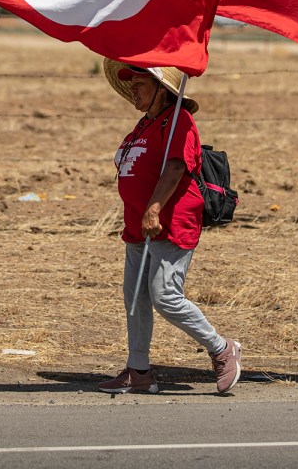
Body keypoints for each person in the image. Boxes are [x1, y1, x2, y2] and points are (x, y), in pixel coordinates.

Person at [98, 60, 242, 395]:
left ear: (163, 90)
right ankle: (139, 370)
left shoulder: (179, 122)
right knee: (135, 297)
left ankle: (222, 348)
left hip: (168, 221)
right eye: (131, 84)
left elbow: (176, 166)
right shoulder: (144, 124)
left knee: (165, 295)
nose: (133, 89)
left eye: (141, 84)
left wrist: (154, 207)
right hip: (139, 225)